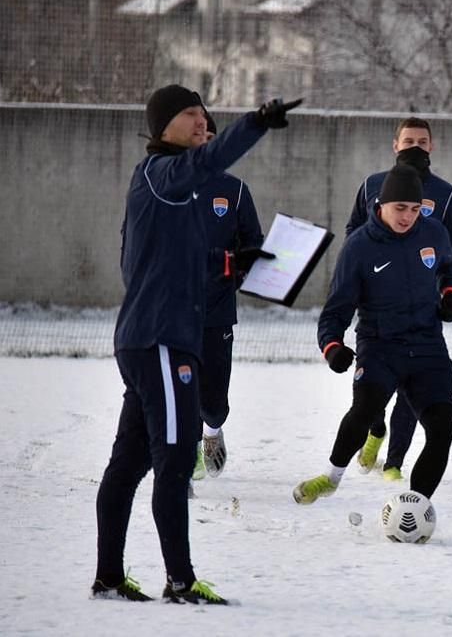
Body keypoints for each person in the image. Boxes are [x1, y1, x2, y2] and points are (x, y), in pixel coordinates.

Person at [94, 85, 299, 604]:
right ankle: (180, 582)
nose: (202, 120)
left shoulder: (168, 190)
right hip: (162, 342)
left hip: (151, 340)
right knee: (175, 462)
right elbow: (208, 161)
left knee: (129, 464)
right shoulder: (164, 174)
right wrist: (256, 122)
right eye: (190, 113)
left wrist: (232, 262)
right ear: (162, 125)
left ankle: (109, 578)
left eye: (205, 114)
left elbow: (165, 261)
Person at [293, 163, 452, 506]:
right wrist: (332, 347)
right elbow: (335, 310)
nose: (408, 216)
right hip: (380, 345)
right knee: (365, 411)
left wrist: (450, 294)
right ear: (381, 204)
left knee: (443, 427)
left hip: (428, 345)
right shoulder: (359, 247)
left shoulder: (433, 233)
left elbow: (449, 269)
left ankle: (414, 506)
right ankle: (331, 477)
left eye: (415, 209)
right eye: (400, 208)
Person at [346, 117, 452, 482]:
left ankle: (394, 463)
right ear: (395, 145)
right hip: (377, 309)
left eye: (422, 141)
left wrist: (435, 277)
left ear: (431, 146)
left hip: (423, 310)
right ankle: (375, 430)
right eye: (408, 140)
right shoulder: (372, 185)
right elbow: (354, 232)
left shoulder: (446, 194)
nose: (415, 147)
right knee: (372, 388)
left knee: (414, 390)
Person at [191, 107, 274, 484]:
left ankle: (213, 430)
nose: (204, 145)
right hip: (173, 311)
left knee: (212, 401)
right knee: (180, 394)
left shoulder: (235, 190)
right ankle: (185, 464)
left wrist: (240, 268)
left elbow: (252, 242)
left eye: (210, 139)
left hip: (218, 310)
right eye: (197, 138)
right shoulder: (166, 187)